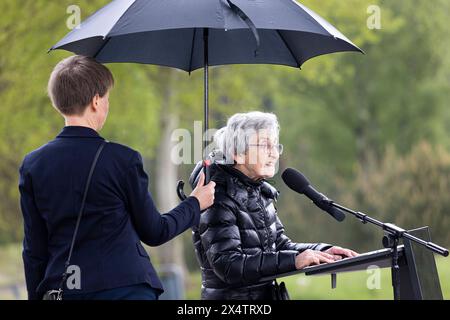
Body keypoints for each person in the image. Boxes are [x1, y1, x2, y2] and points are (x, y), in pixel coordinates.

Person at [18, 55, 215, 300]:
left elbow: (34, 251)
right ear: (96, 101)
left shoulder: (33, 165)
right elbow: (155, 231)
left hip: (66, 291)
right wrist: (196, 202)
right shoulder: (123, 160)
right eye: (107, 98)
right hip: (125, 289)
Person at [192, 111, 358, 300]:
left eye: (275, 145)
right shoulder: (215, 195)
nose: (273, 154)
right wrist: (294, 261)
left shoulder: (259, 190)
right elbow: (229, 265)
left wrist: (321, 251)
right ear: (237, 153)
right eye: (264, 145)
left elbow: (277, 246)